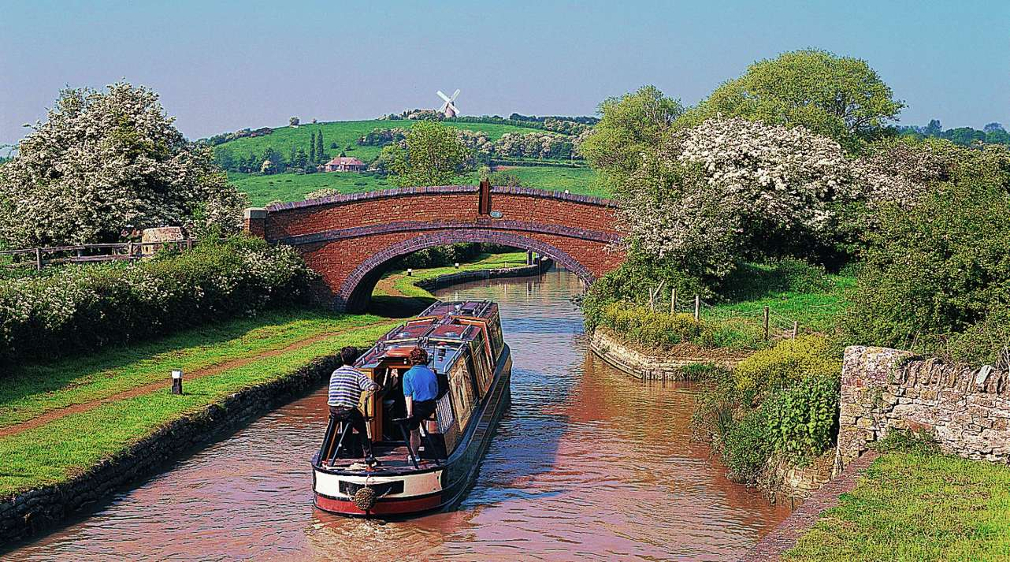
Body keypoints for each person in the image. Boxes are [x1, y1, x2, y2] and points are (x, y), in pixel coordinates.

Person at [327, 346, 380, 466]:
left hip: (333, 410)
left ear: (342, 358)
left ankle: (330, 454)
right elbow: (370, 386)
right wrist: (377, 386)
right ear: (355, 360)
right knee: (362, 428)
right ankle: (368, 456)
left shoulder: (335, 373)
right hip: (347, 410)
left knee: (345, 421)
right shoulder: (357, 374)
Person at [402, 347, 439, 460]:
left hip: (416, 407)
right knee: (421, 420)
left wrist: (409, 414)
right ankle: (424, 431)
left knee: (414, 432)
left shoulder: (408, 375)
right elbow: (435, 392)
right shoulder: (432, 373)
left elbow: (408, 396)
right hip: (430, 406)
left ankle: (414, 455)